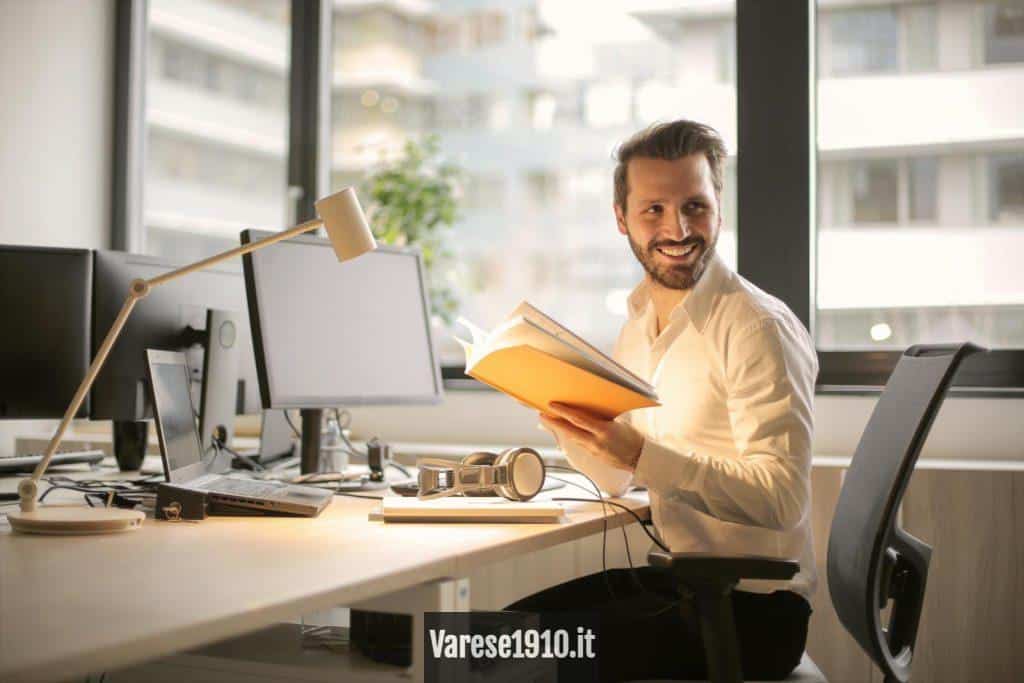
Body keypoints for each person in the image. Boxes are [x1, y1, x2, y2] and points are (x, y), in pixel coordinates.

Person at [508, 120, 818, 681]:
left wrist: (640, 454)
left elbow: (782, 497)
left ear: (719, 207)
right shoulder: (639, 324)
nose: (677, 228)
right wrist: (566, 420)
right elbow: (616, 481)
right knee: (491, 636)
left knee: (489, 655)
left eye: (694, 206)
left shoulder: (756, 326)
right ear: (621, 218)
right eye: (654, 210)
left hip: (752, 612)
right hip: (682, 585)